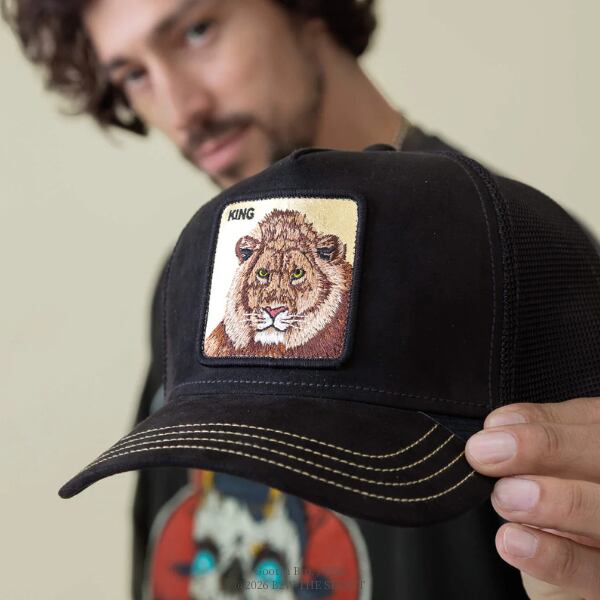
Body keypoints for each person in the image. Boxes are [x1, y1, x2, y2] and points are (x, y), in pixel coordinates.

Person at [4, 1, 600, 598]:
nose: (182, 110)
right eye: (133, 74)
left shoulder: (520, 258)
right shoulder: (195, 270)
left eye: (196, 31)